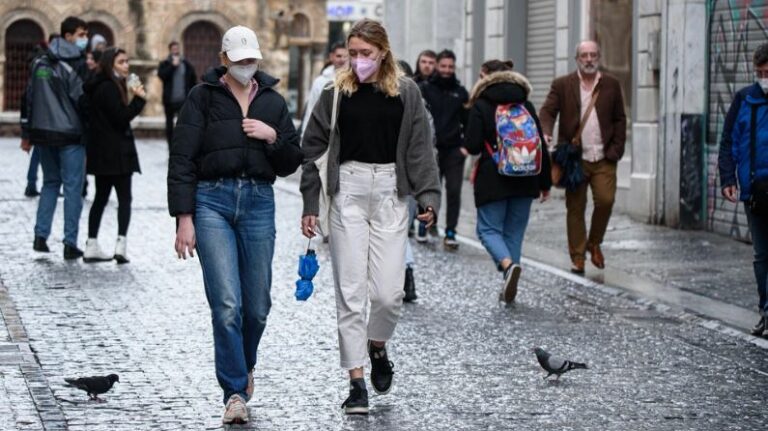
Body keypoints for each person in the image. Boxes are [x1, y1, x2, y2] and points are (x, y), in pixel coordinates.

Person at [300, 19, 440, 414]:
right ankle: (356, 382)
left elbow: (420, 148)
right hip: (347, 191)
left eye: (366, 53)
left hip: (391, 193)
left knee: (388, 295)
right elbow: (312, 149)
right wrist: (310, 203)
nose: (359, 60)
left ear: (383, 52)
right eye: (353, 53)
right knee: (350, 292)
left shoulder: (407, 92)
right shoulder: (335, 93)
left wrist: (428, 196)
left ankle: (377, 346)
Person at [168, 25, 302, 424]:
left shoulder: (273, 101)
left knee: (257, 307)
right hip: (212, 201)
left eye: (252, 59)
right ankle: (235, 393)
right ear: (224, 60)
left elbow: (291, 160)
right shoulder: (202, 97)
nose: (247, 65)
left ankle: (245, 365)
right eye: (240, 59)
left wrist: (272, 136)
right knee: (227, 304)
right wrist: (184, 218)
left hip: (259, 201)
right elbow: (182, 159)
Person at [463, 59, 551, 303]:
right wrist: (545, 183)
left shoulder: (482, 104)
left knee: (487, 229)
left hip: (493, 178)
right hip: (527, 177)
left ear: (484, 76)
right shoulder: (525, 103)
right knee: (514, 232)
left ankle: (508, 266)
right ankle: (510, 280)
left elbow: (472, 145)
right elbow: (540, 145)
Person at [539, 40, 626, 274]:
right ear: (577, 59)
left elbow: (620, 118)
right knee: (575, 208)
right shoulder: (562, 84)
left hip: (604, 157)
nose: (589, 59)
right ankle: (578, 257)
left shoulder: (611, 84)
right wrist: (545, 131)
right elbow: (547, 111)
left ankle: (594, 242)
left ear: (599, 57)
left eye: (593, 55)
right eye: (584, 55)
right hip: (575, 159)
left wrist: (616, 149)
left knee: (605, 201)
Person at [20, 16, 89, 259]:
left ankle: (40, 236)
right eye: (81, 34)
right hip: (70, 134)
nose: (84, 39)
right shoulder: (77, 63)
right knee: (72, 188)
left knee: (50, 183)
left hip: (42, 133)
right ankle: (70, 242)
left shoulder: (40, 62)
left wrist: (27, 133)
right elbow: (82, 99)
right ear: (68, 36)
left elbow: (28, 98)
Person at [719, 43, 768, 337]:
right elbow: (728, 141)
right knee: (762, 255)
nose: (764, 78)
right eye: (759, 73)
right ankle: (766, 311)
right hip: (754, 191)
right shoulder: (744, 99)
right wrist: (728, 179)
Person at [82, 48, 146, 264]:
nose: (126, 65)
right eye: (121, 62)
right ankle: (119, 245)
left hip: (104, 152)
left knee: (101, 198)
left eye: (127, 61)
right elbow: (120, 117)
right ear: (111, 65)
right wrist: (139, 100)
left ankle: (93, 244)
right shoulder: (108, 87)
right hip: (116, 153)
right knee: (123, 199)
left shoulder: (102, 85)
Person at [419, 49, 469, 249]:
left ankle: (450, 231)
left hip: (454, 150)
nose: (447, 70)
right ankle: (426, 224)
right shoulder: (425, 89)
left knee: (454, 191)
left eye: (450, 67)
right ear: (437, 66)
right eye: (443, 66)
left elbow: (469, 121)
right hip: (431, 149)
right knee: (430, 189)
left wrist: (465, 147)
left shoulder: (461, 92)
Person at [300, 41, 348, 137]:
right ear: (331, 57)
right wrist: (304, 136)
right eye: (338, 56)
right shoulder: (320, 81)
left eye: (345, 56)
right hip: (324, 132)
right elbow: (311, 108)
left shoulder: (356, 81)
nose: (342, 59)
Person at [158, 41, 197, 147]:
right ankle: (171, 147)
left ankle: (181, 145)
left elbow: (193, 80)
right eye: (173, 49)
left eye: (177, 48)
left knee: (182, 125)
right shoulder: (165, 63)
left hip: (183, 101)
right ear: (170, 50)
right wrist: (172, 66)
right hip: (169, 101)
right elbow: (161, 75)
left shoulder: (186, 64)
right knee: (169, 126)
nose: (176, 51)